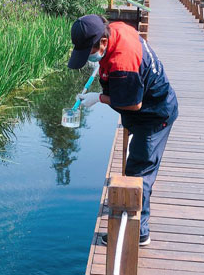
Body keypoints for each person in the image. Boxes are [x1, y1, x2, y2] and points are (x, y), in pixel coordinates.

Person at [68, 14, 178, 247]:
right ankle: (129, 215)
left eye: (90, 52)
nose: (90, 57)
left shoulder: (123, 63)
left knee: (140, 171)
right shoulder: (115, 28)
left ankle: (137, 232)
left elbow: (132, 103)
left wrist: (98, 98)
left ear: (103, 43)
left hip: (155, 113)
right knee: (134, 165)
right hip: (143, 105)